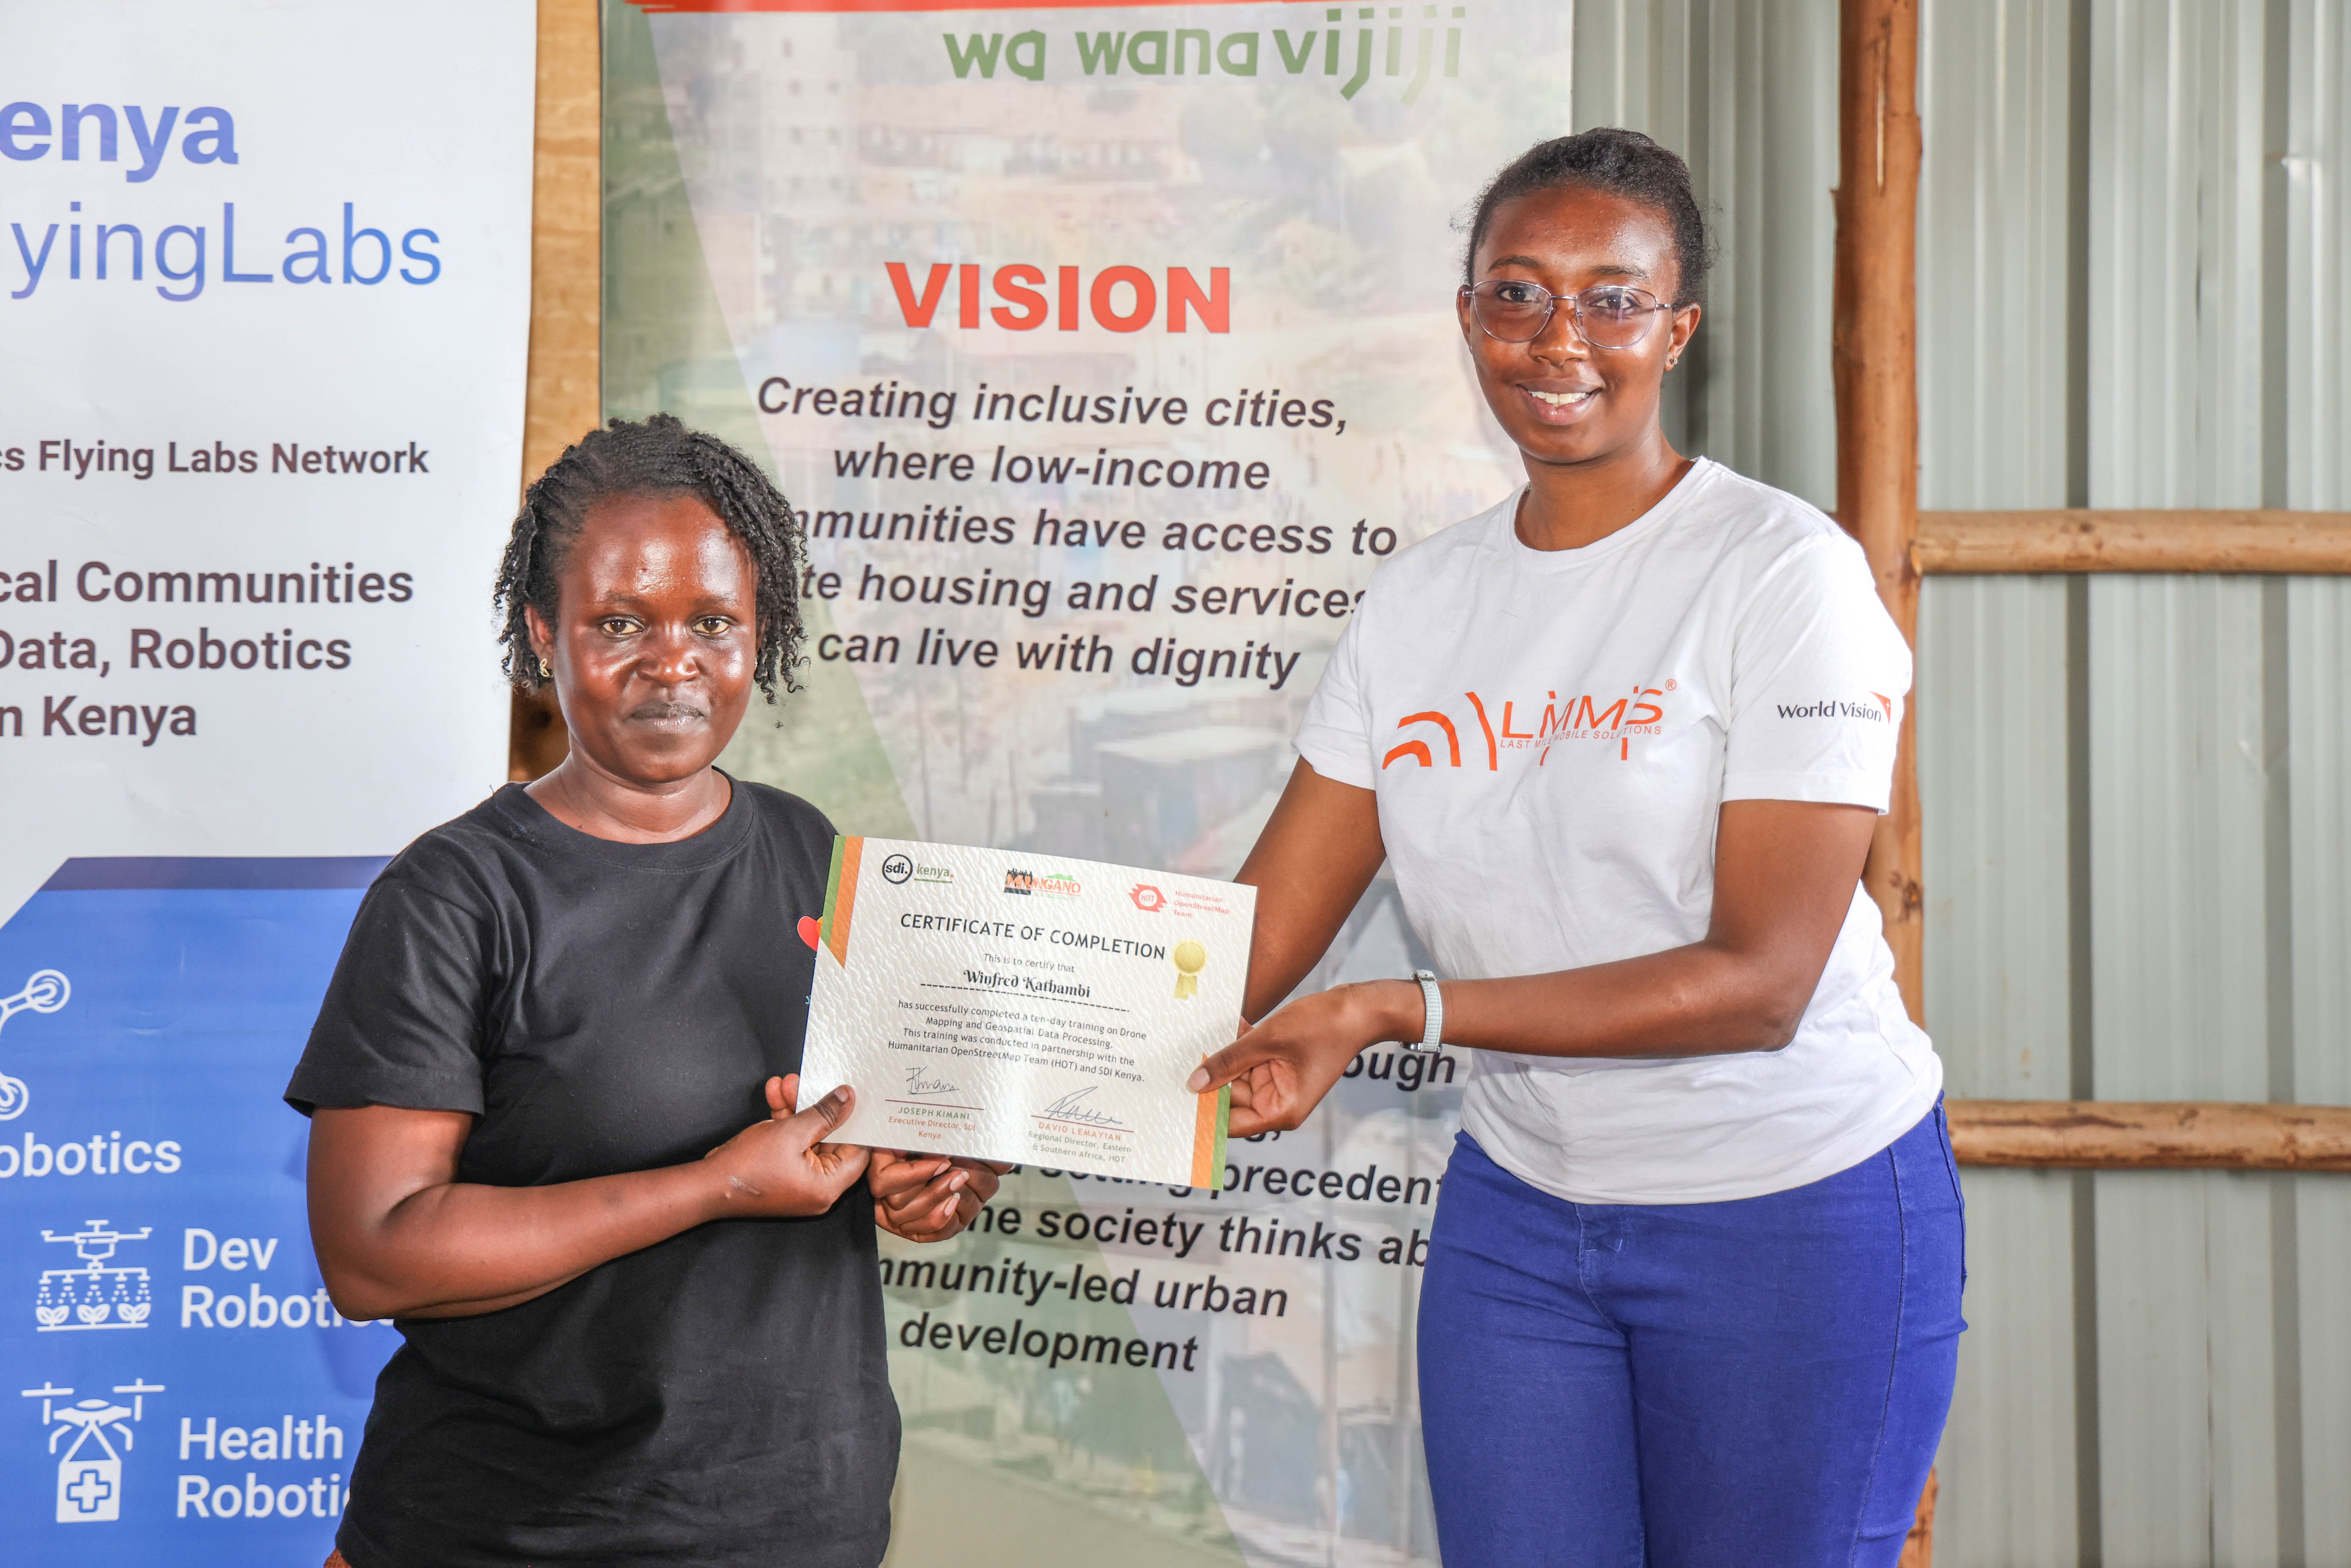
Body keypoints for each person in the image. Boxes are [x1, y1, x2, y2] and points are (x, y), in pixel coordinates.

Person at [1190, 129, 1963, 1567]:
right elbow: (1236, 955)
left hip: (1788, 1209)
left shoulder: (1781, 575)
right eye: (1515, 293)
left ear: (1676, 328)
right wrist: (965, 1080)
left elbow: (1761, 980)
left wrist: (1390, 1009)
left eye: (1611, 297)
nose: (1559, 338)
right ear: (1469, 315)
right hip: (1524, 1219)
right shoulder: (1417, 607)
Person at [286, 414, 1000, 1568]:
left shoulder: (812, 855)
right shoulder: (453, 897)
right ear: (540, 635)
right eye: (620, 622)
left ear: (758, 635)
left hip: (799, 1527)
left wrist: (919, 1179)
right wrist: (712, 1186)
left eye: (713, 622)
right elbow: (374, 1255)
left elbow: (848, 1155)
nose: (672, 662)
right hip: (507, 1533)